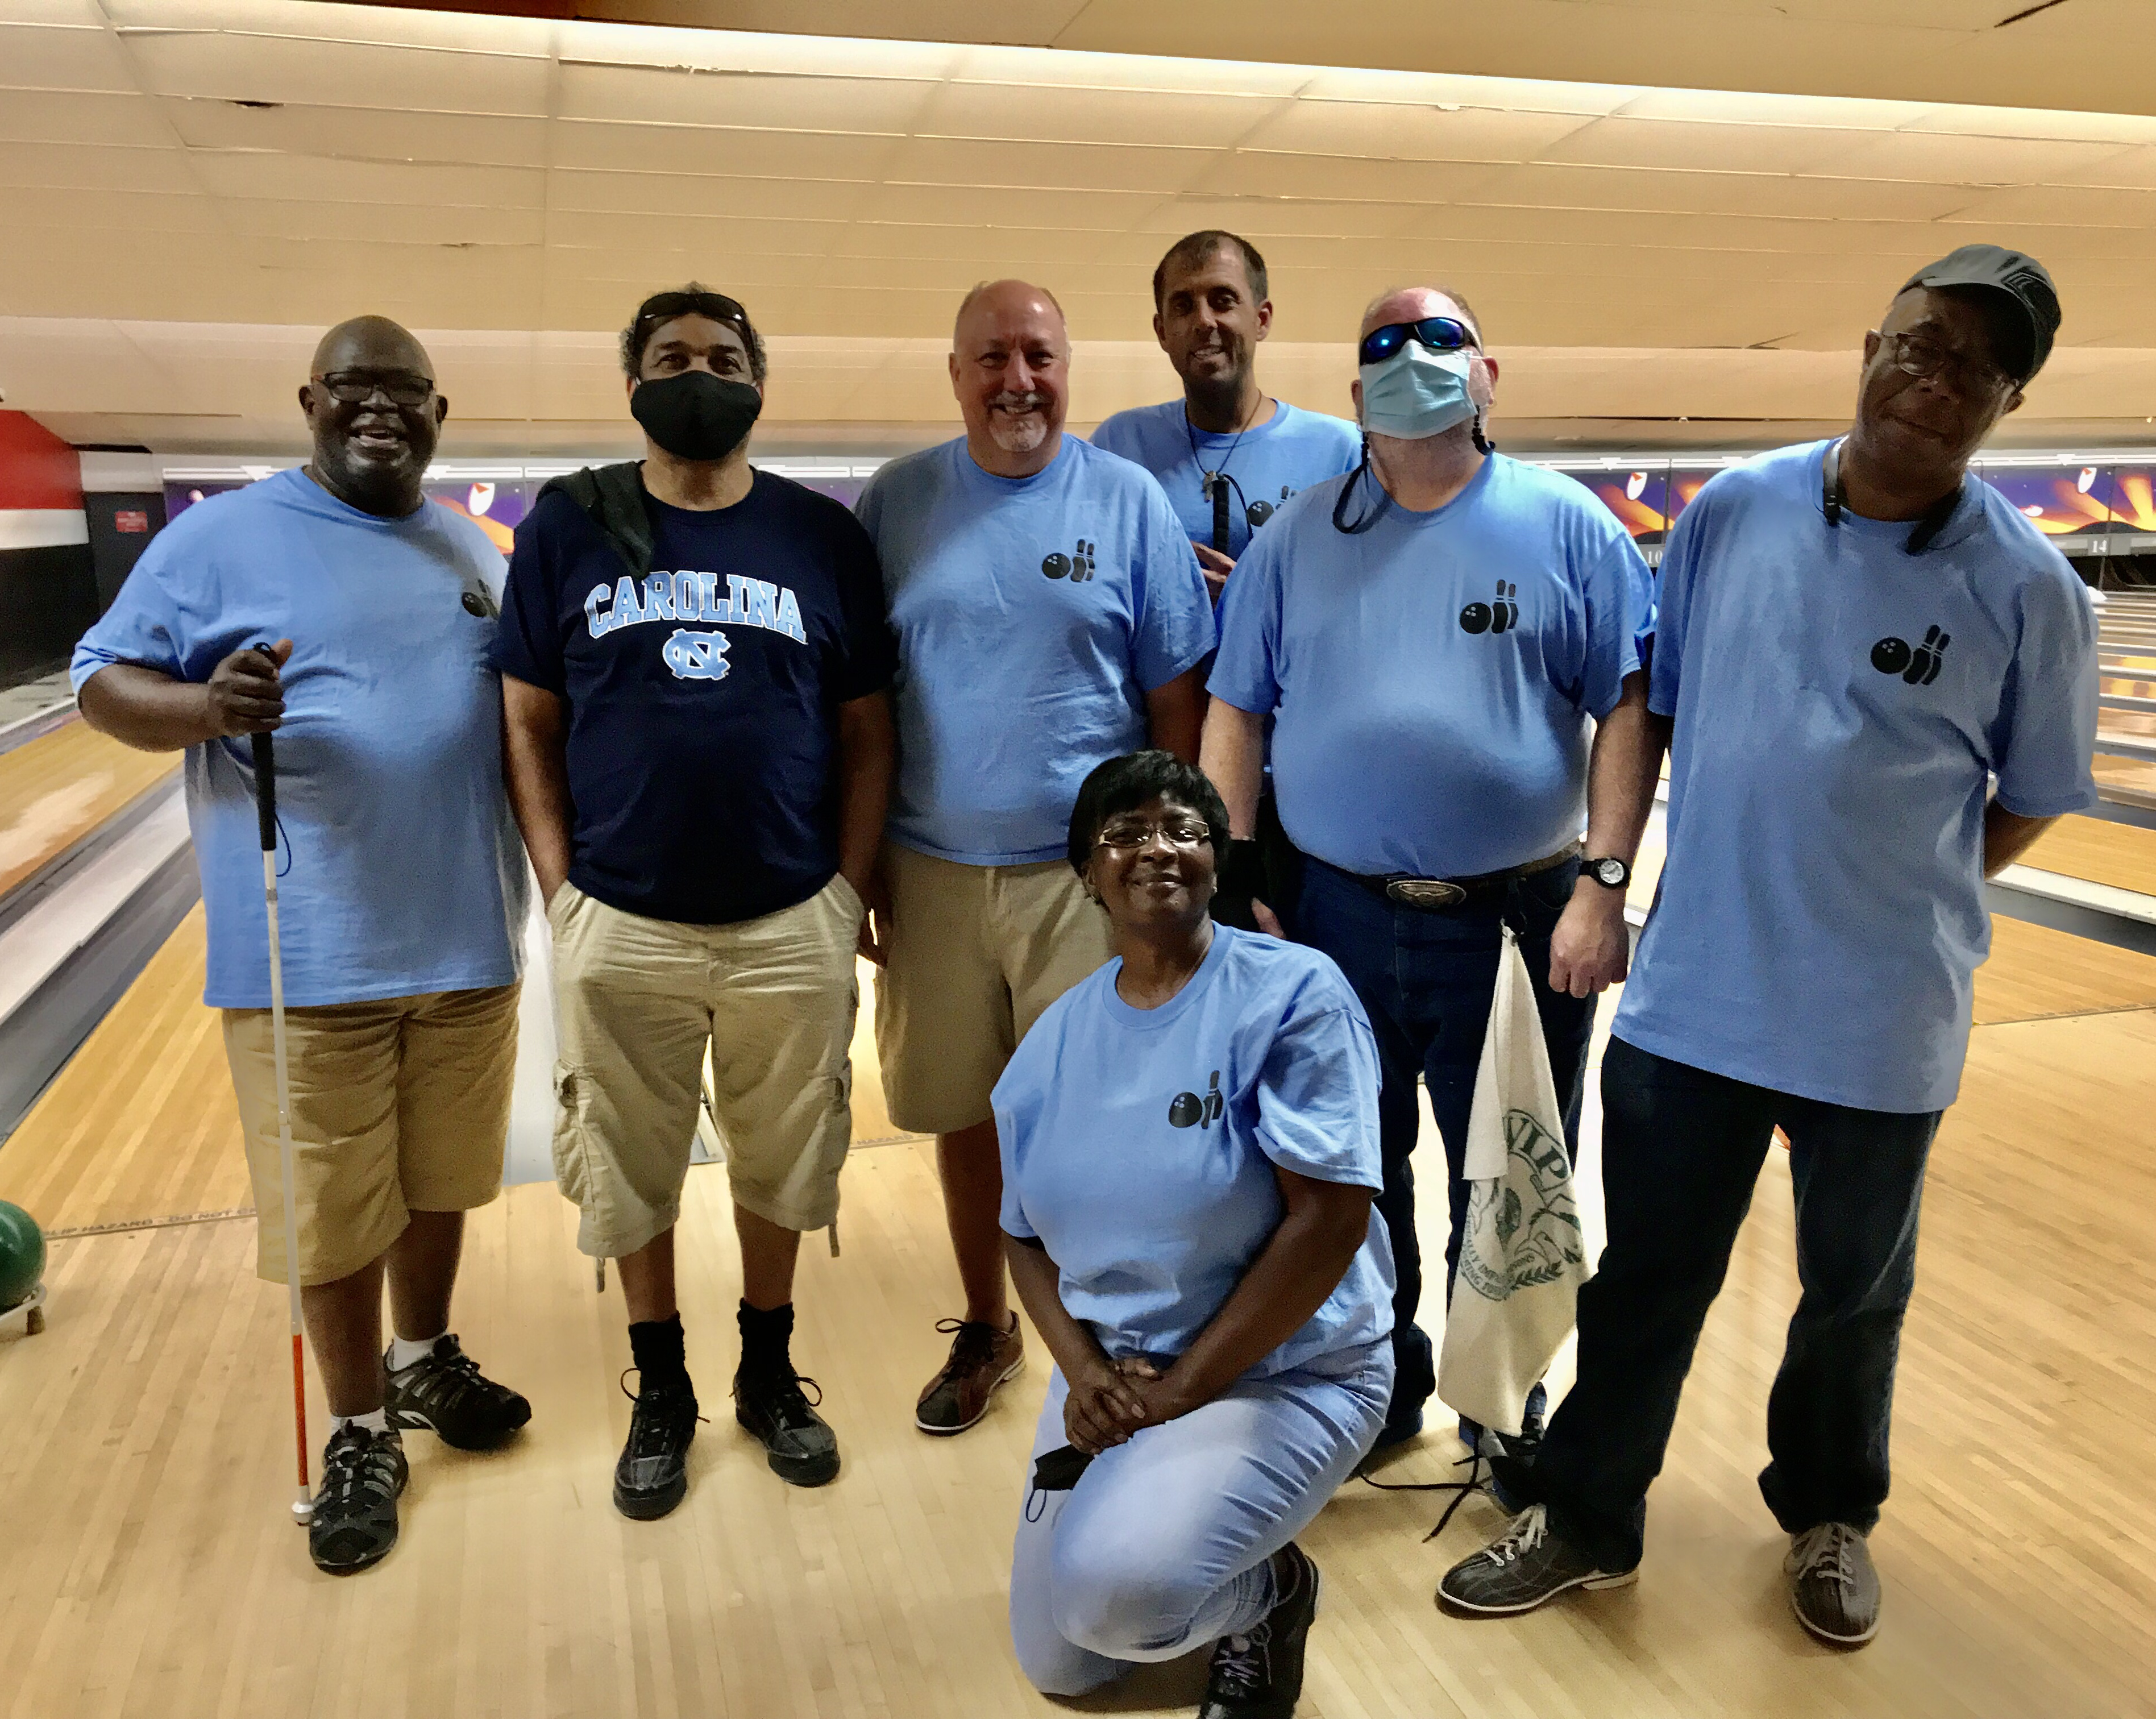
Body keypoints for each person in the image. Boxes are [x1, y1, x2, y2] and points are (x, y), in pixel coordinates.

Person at [1436, 246, 2097, 1649]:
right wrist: (1607, 883)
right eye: (1921, 344)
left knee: (1853, 1301)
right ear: (1872, 342)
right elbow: (1656, 707)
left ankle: (1829, 1515)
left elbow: (2031, 796)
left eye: (1977, 366)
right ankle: (1590, 1513)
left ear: (2009, 402)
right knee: (1650, 1280)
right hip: (1698, 1003)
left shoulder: (2031, 588)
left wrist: (1913, 883)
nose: (1936, 379)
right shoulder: (1736, 510)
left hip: (1883, 1020)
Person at [72, 317, 533, 1575]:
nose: (377, 409)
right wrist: (202, 705)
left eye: (403, 392)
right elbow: (101, 677)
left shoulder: (467, 549)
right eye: (352, 388)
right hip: (310, 951)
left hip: (465, 937)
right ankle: (358, 1426)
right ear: (309, 401)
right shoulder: (214, 540)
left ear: (439, 414)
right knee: (336, 1213)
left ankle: (425, 1359)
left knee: (442, 1185)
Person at [1201, 286, 1660, 1457]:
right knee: (1356, 1174)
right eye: (1385, 345)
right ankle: (1381, 1382)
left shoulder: (1569, 526)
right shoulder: (1296, 539)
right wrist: (1236, 876)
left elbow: (1627, 702)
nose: (1414, 357)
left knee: (1505, 1172)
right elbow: (1236, 716)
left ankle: (1500, 1397)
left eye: (1439, 338)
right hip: (1334, 912)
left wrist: (1604, 884)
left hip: (1520, 914)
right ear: (1355, 397)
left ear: (1488, 375)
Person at [495, 285, 896, 1514]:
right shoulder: (572, 523)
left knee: (786, 1160)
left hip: (789, 919)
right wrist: (563, 889)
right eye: (673, 357)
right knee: (630, 1167)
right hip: (624, 918)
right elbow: (527, 717)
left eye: (724, 357)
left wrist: (845, 888)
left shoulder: (820, 538)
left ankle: (769, 1371)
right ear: (633, 384)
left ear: (759, 383)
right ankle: (660, 1387)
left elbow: (869, 730)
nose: (699, 373)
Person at [855, 280, 1216, 1438]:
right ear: (955, 373)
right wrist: (859, 865)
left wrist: (1166, 875)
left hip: (1089, 883)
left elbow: (1176, 702)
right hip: (932, 869)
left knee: (1099, 1113)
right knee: (966, 1115)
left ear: (1070, 370)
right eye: (994, 357)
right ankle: (988, 1324)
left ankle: (1113, 1336)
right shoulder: (896, 504)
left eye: (1041, 356)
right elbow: (858, 706)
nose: (1020, 379)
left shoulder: (1128, 503)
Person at [998, 750, 1393, 1719]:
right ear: (1086, 872)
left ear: (1217, 857)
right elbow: (1020, 1235)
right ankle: (1187, 1528)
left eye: (1182, 828)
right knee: (1067, 1662)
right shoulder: (1054, 1036)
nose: (1156, 848)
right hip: (1119, 1375)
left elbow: (1330, 1217)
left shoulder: (1292, 992)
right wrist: (1084, 1373)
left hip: (1286, 1370)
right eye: (1124, 833)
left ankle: (1267, 1593)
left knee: (1114, 1598)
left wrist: (1182, 1388)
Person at [1091, 230, 1359, 603]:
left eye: (1223, 301)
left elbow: (1370, 593)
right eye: (1183, 306)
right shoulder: (1120, 444)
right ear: (1162, 331)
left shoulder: (1340, 452)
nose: (1204, 321)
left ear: (1261, 320)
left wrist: (1250, 598)